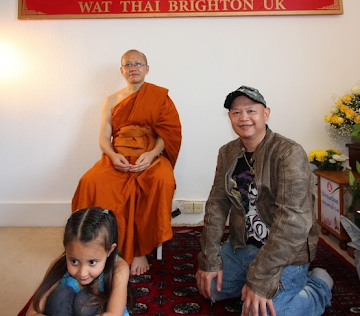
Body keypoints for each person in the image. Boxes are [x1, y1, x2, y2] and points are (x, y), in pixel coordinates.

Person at [196, 86, 333, 316]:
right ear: (230, 117)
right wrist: (209, 260)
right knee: (210, 288)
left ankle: (318, 287)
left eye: (251, 111)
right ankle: (259, 284)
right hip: (243, 246)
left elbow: (293, 222)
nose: (244, 117)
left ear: (266, 114)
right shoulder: (227, 152)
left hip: (284, 254)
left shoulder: (289, 153)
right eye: (236, 112)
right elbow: (216, 205)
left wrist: (261, 279)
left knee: (260, 313)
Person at [72, 49, 182, 276]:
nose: (133, 68)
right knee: (90, 181)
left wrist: (152, 155)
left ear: (147, 69)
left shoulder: (159, 97)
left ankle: (140, 249)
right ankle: (97, 245)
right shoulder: (112, 100)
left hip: (149, 157)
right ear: (122, 70)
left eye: (138, 64)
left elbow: (167, 134)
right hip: (118, 156)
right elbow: (104, 137)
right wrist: (113, 156)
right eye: (128, 64)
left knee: (163, 180)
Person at [26, 207, 131, 316]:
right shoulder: (58, 265)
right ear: (66, 250)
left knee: (85, 302)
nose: (82, 273)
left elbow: (114, 314)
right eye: (74, 261)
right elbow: (32, 312)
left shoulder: (119, 269)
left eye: (92, 262)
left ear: (109, 250)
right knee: (60, 295)